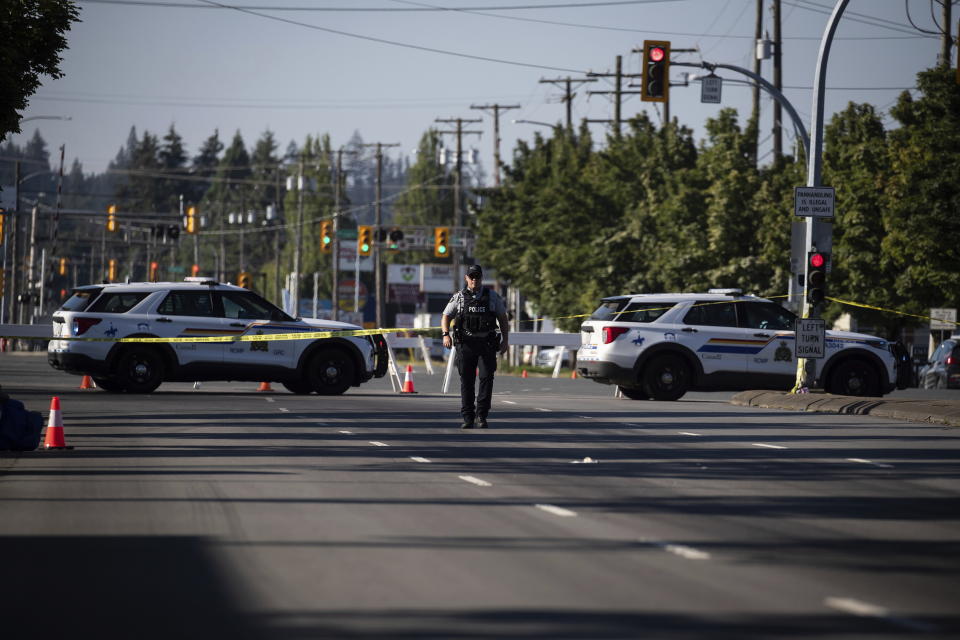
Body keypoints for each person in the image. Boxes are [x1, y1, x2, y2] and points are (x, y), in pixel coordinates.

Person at [441, 264, 509, 429]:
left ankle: (482, 415)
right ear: (466, 278)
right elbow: (446, 316)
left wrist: (505, 340)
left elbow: (502, 319)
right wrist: (445, 334)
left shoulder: (492, 296)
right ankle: (468, 417)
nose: (474, 280)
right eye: (471, 277)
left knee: (486, 378)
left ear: (481, 278)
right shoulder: (459, 297)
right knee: (467, 380)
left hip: (486, 343)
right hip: (466, 344)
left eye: (477, 276)